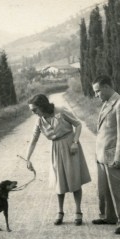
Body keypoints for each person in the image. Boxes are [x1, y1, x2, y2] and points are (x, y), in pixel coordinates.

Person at [25, 94, 91, 226]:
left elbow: (78, 125)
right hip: (56, 149)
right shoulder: (39, 120)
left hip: (70, 146)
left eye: (35, 110)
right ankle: (60, 212)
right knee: (59, 180)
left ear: (42, 106)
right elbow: (33, 140)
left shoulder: (61, 111)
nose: (34, 113)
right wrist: (28, 159)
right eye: (32, 111)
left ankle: (78, 211)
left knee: (74, 179)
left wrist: (75, 142)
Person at [91, 75, 120, 234]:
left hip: (113, 153)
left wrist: (119, 156)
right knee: (104, 189)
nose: (96, 95)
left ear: (107, 87)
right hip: (102, 154)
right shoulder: (106, 103)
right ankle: (109, 216)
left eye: (97, 91)